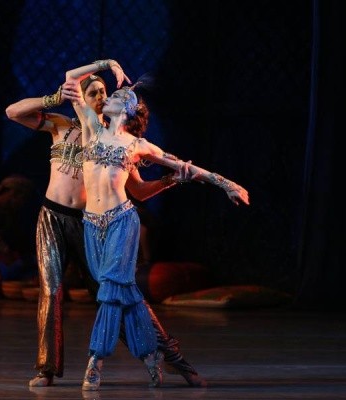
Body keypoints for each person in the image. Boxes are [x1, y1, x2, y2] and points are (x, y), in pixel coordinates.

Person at [5, 71, 206, 388]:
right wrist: (55, 97)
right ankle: (47, 369)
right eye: (94, 93)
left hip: (90, 224)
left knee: (116, 293)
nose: (100, 98)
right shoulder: (61, 126)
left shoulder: (115, 139)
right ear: (81, 97)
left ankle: (170, 356)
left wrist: (169, 180)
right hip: (52, 217)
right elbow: (13, 112)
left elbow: (138, 191)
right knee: (51, 290)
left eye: (104, 93)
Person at [62, 59, 249, 390]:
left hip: (121, 222)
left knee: (109, 293)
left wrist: (226, 184)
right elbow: (70, 79)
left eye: (121, 95)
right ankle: (150, 354)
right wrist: (108, 64)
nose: (113, 95)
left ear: (129, 109)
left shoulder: (137, 146)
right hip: (91, 225)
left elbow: (186, 168)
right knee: (125, 293)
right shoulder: (91, 127)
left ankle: (95, 361)